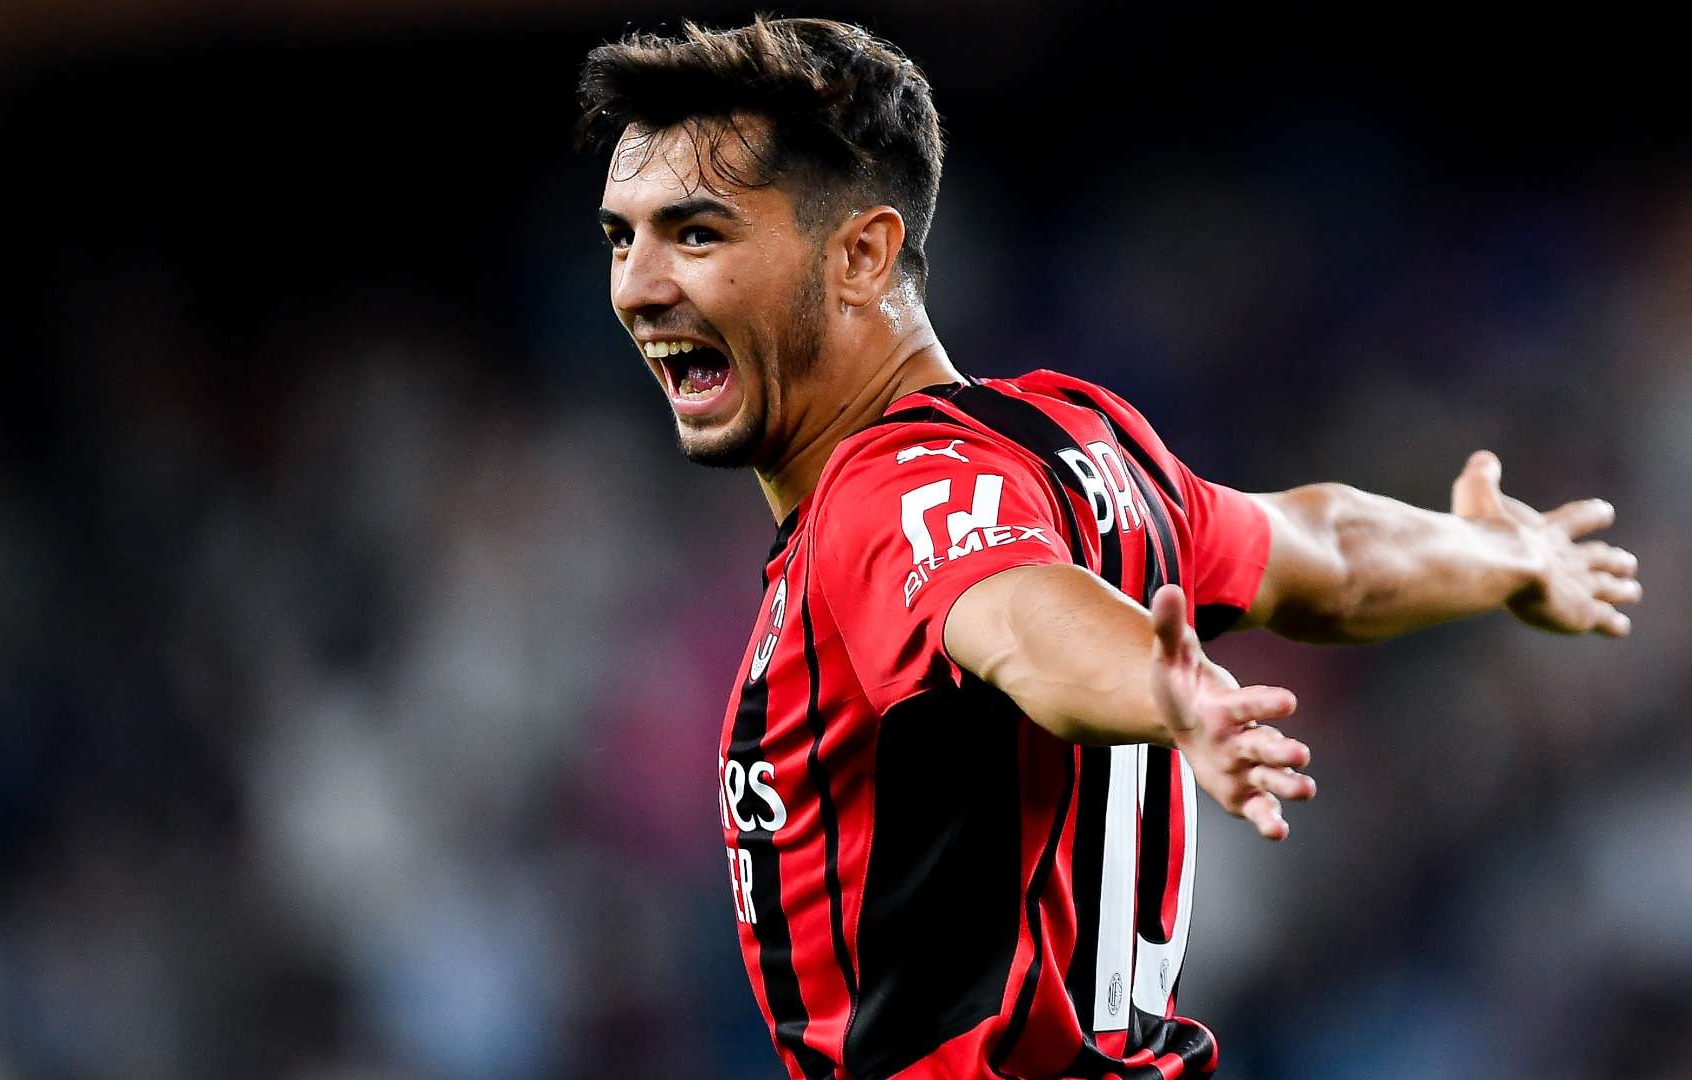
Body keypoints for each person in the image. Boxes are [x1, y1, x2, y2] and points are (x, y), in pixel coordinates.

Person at [577, 16, 1643, 1079]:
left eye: (698, 234)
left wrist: (1160, 686)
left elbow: (1015, 619)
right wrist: (1496, 557)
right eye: (624, 237)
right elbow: (1324, 549)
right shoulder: (1082, 438)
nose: (638, 284)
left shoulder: (888, 493)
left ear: (862, 254)